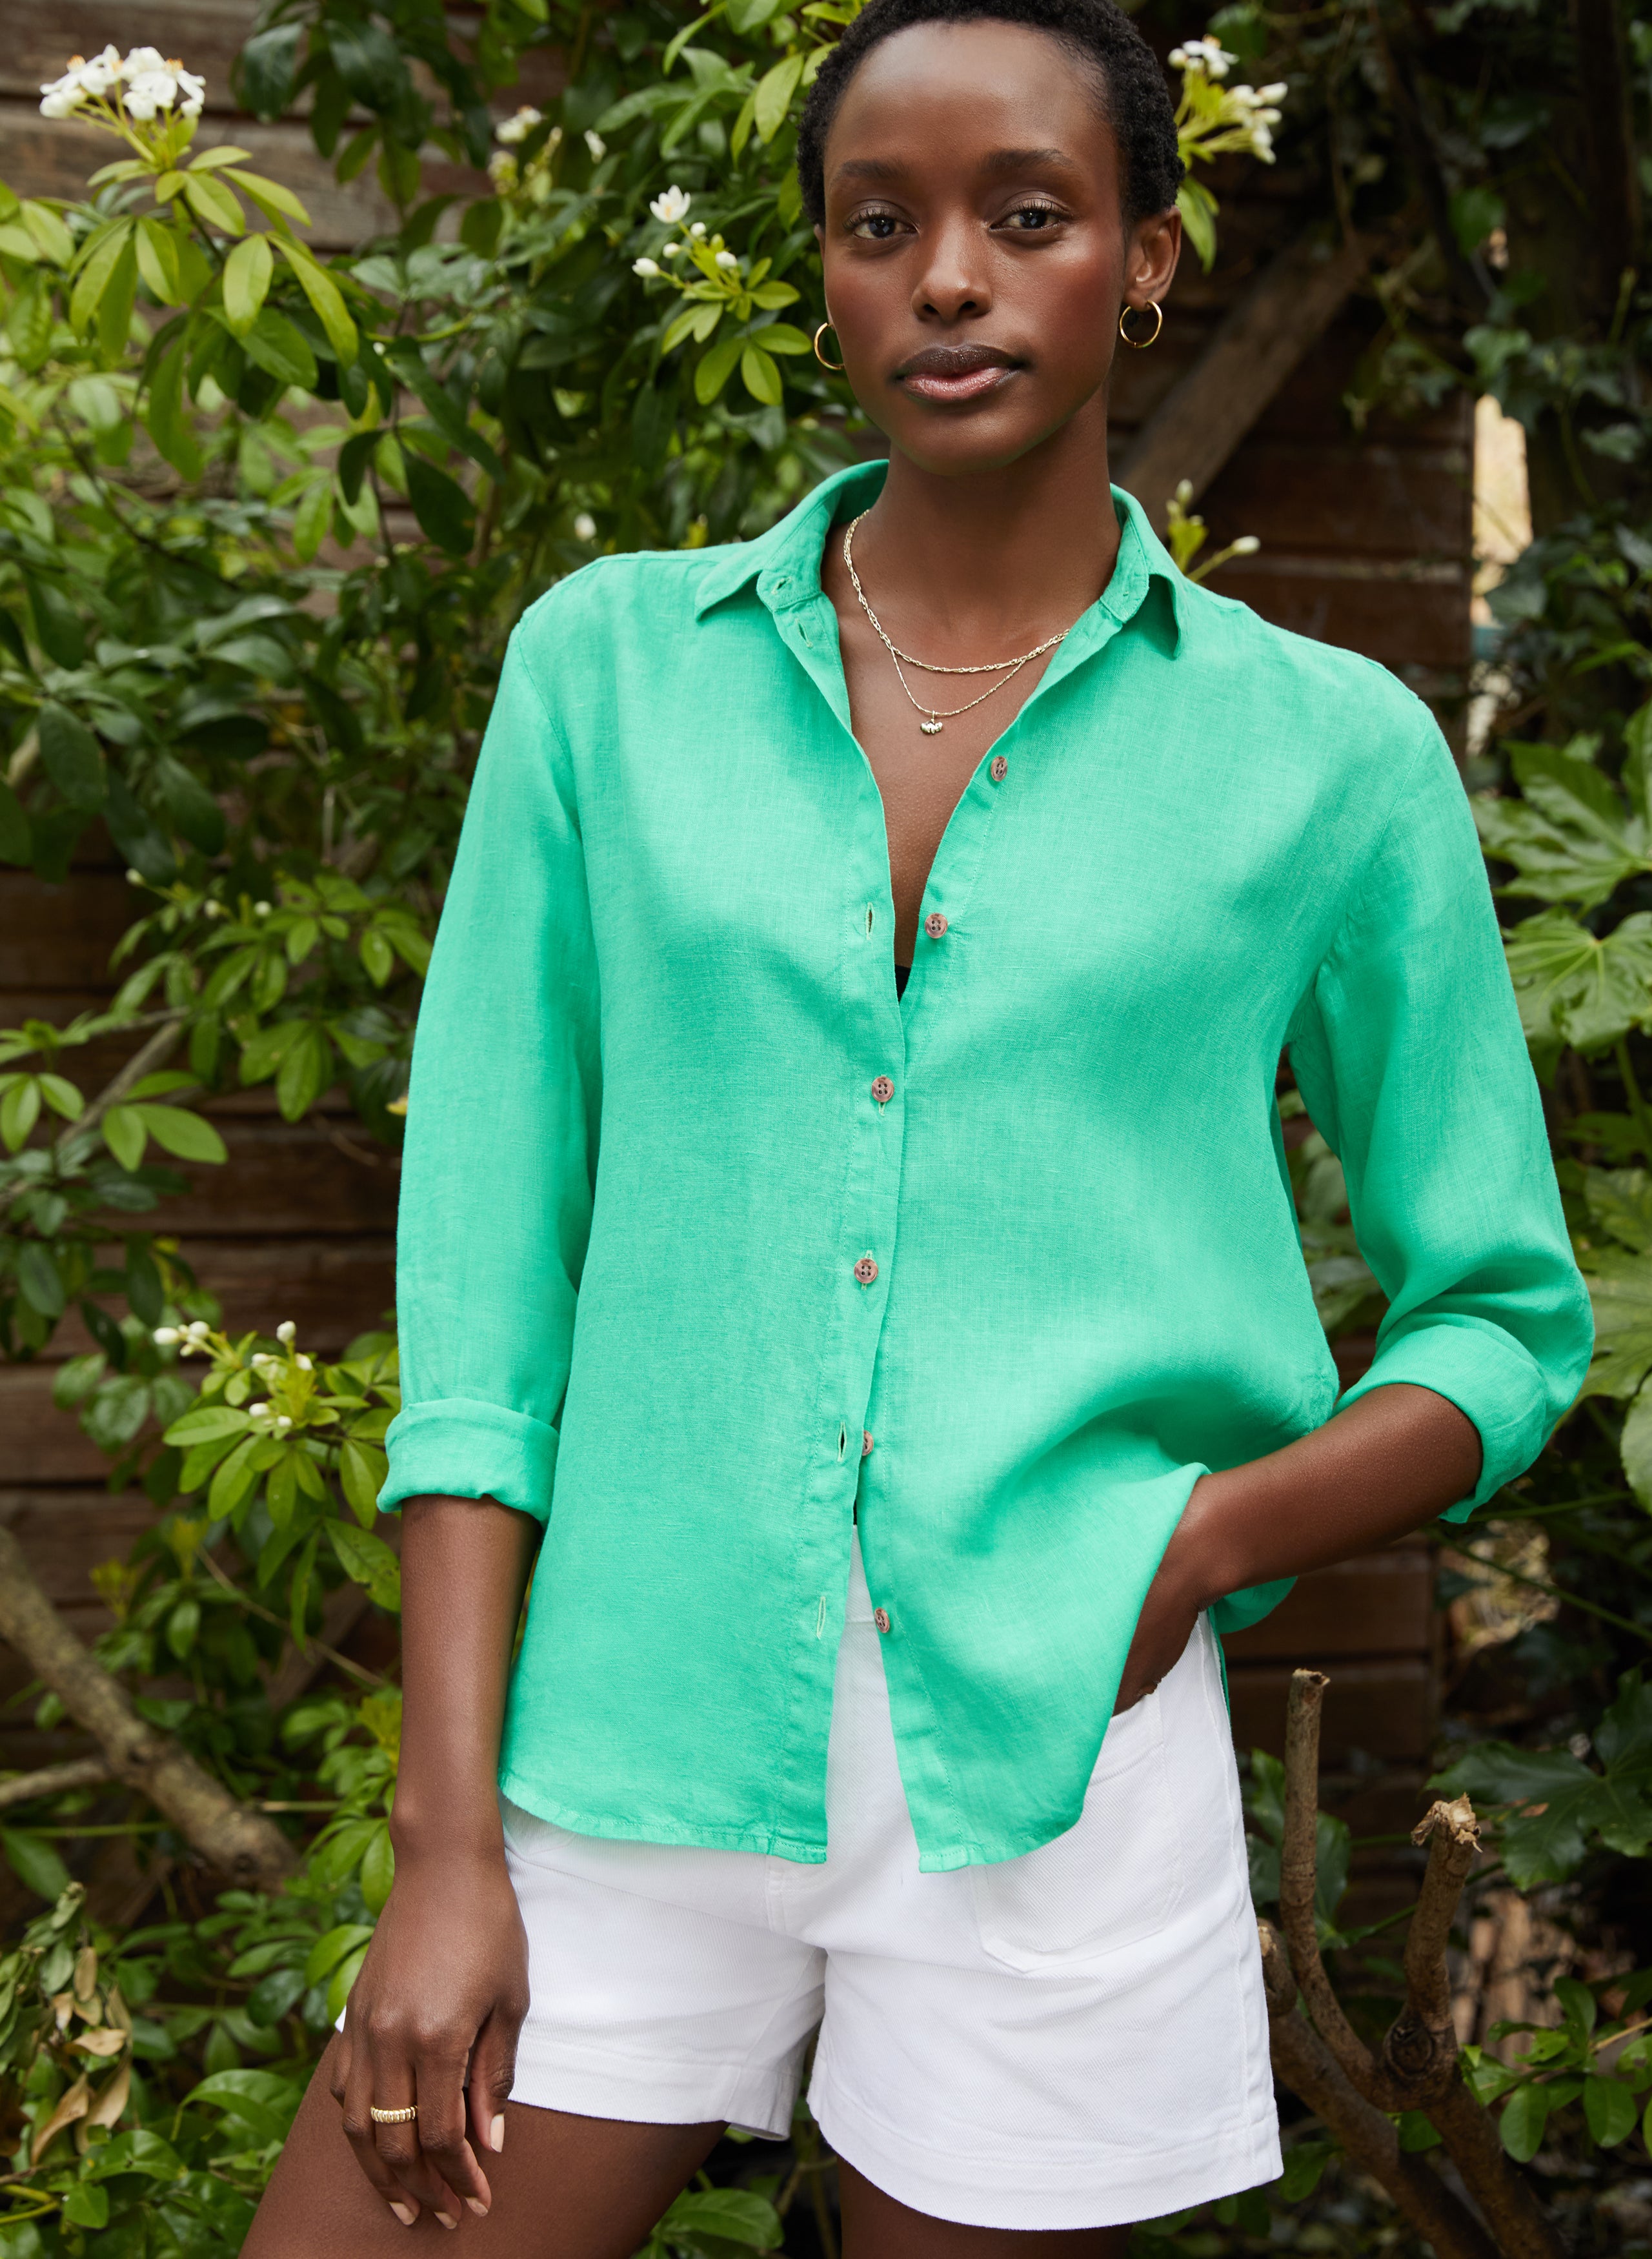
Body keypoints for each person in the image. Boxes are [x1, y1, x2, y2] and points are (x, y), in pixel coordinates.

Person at [245, 0, 1592, 2248]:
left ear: (1145, 259)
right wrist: (448, 1843)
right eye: (881, 227)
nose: (948, 277)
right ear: (829, 277)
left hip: (1053, 1771)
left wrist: (1193, 1544)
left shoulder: (1330, 758)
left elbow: (1505, 1319)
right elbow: (482, 1301)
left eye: (1026, 217)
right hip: (623, 1743)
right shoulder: (607, 673)